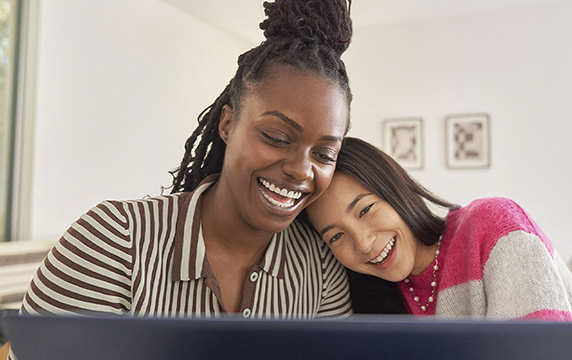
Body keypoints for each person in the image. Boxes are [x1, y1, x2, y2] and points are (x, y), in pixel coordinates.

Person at [17, 0, 353, 322]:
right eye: (276, 138)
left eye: (324, 154)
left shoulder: (320, 268)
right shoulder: (114, 240)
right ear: (227, 124)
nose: (300, 169)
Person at [304, 137, 572, 321]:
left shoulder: (494, 224)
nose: (364, 243)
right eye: (336, 236)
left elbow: (540, 350)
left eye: (366, 209)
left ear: (396, 190)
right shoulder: (374, 295)